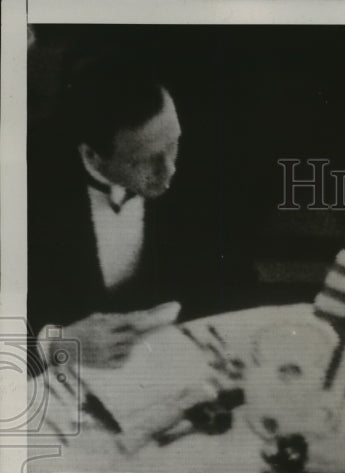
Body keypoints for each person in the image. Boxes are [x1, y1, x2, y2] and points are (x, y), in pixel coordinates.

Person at [27, 57, 256, 369]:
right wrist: (54, 344)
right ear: (92, 156)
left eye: (173, 145)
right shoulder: (21, 181)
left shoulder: (200, 152)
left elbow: (234, 275)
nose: (170, 170)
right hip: (63, 376)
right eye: (143, 160)